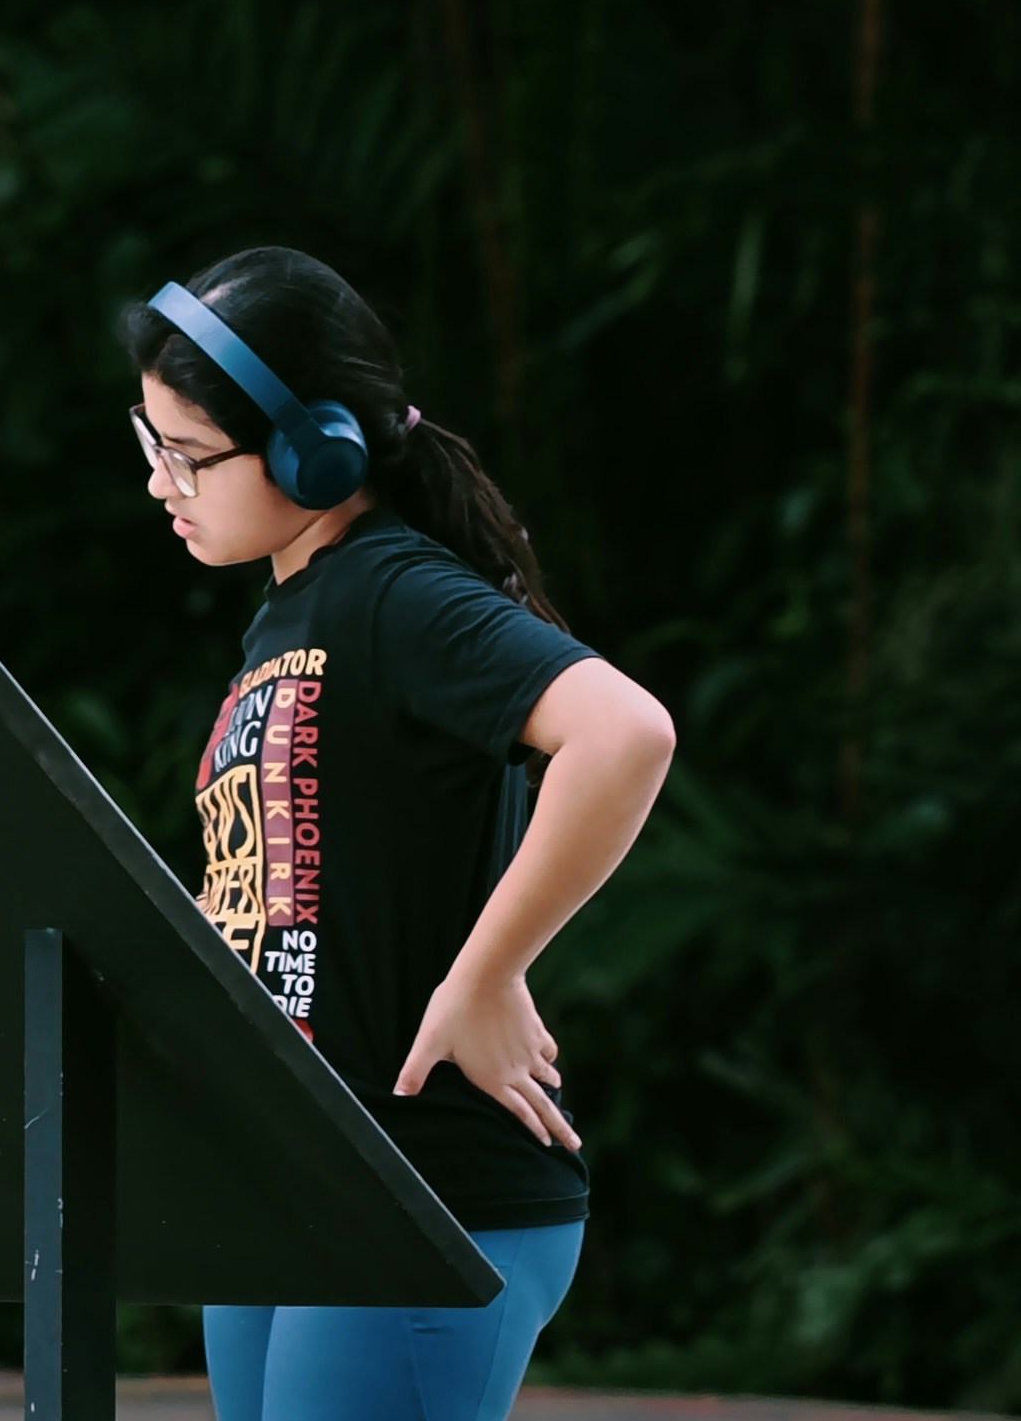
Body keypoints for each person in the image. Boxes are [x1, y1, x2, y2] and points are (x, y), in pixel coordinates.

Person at [127, 248, 678, 1421]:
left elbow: (623, 734)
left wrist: (487, 973)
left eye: (186, 455)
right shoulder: (288, 615)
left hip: (425, 1188)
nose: (158, 482)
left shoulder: (390, 592)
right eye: (150, 442)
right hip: (298, 1179)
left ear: (308, 450)